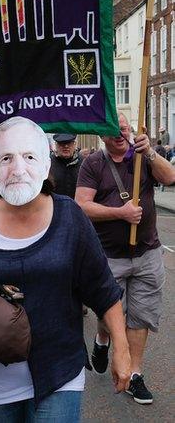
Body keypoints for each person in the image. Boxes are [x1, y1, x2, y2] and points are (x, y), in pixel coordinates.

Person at [0, 116, 130, 422]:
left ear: (45, 164)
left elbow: (102, 288)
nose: (18, 169)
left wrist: (122, 349)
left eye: (29, 156)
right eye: (6, 158)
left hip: (59, 373)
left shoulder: (69, 217)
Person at [75, 113, 175, 405]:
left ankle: (135, 375)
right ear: (102, 135)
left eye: (124, 128)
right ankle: (102, 339)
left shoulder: (143, 157)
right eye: (111, 130)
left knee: (140, 314)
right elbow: (82, 206)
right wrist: (120, 213)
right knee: (111, 313)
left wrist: (151, 152)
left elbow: (170, 177)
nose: (119, 133)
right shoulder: (93, 163)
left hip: (147, 252)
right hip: (108, 256)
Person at [49, 133, 82, 199]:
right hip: (53, 206)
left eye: (69, 143)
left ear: (74, 144)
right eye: (62, 143)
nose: (66, 146)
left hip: (77, 207)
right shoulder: (48, 164)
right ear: (56, 145)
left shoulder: (83, 163)